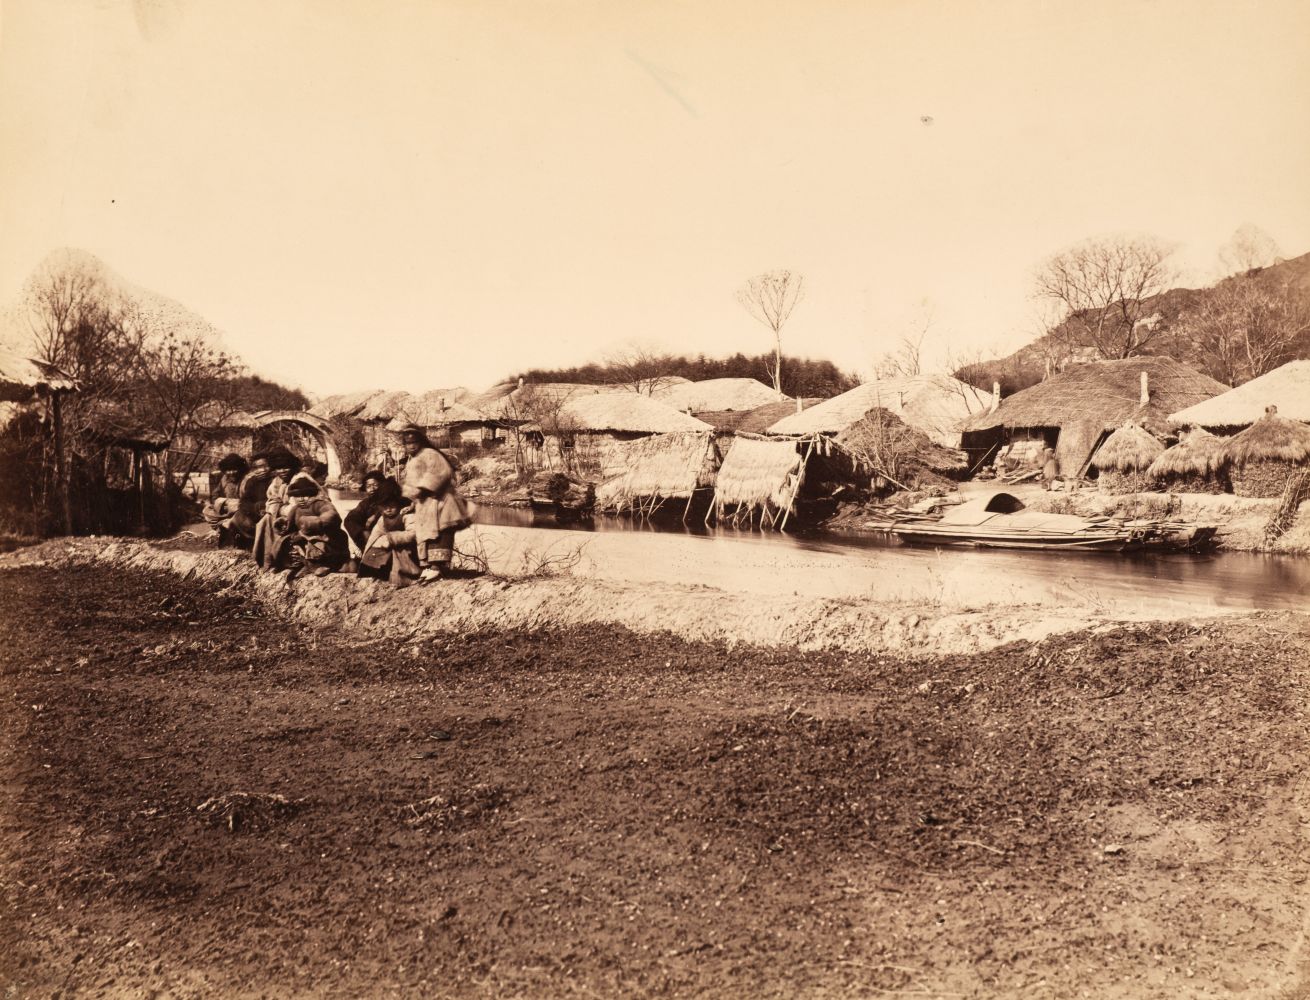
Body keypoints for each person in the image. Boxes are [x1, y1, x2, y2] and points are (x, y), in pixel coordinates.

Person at [397, 423, 475, 582]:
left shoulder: (430, 454)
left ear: (421, 441)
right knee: (426, 535)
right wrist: (412, 503)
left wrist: (421, 490)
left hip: (440, 501)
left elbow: (441, 473)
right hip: (424, 504)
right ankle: (428, 567)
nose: (411, 446)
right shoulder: (412, 460)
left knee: (440, 532)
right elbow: (413, 484)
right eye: (407, 443)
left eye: (414, 442)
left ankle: (437, 567)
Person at [268, 477, 349, 577]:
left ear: (312, 494)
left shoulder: (322, 504)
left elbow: (331, 517)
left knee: (315, 544)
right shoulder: (296, 509)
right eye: (297, 496)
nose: (301, 499)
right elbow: (290, 525)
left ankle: (323, 565)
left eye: (305, 495)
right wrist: (283, 526)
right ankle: (291, 564)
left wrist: (309, 523)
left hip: (328, 539)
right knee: (283, 542)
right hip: (304, 538)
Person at [358, 481, 421, 586]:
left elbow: (414, 533)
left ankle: (406, 577)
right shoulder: (382, 520)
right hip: (392, 550)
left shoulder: (406, 515)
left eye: (392, 506)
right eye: (384, 506)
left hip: (411, 552)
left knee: (399, 550)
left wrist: (391, 538)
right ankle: (376, 573)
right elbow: (373, 537)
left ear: (398, 503)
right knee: (376, 549)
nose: (388, 509)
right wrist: (366, 556)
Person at [254, 450, 301, 567]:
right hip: (284, 515)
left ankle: (284, 559)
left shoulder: (300, 478)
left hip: (302, 516)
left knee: (273, 520)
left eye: (286, 467)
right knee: (265, 520)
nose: (282, 471)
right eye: (278, 468)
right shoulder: (277, 481)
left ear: (292, 466)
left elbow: (300, 505)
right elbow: (272, 499)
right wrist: (276, 508)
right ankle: (267, 559)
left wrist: (281, 509)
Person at [227, 453, 271, 549]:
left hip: (270, 513)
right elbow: (245, 501)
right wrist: (255, 509)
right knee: (238, 517)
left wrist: (262, 506)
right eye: (257, 468)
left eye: (265, 466)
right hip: (255, 513)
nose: (261, 471)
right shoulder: (253, 481)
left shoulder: (275, 481)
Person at [202, 453, 248, 542]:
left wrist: (233, 504)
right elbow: (216, 494)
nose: (231, 473)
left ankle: (232, 528)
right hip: (227, 508)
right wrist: (219, 504)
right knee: (207, 510)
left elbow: (248, 499)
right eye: (228, 470)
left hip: (241, 508)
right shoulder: (224, 479)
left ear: (240, 469)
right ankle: (220, 527)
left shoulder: (246, 479)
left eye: (234, 469)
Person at [343, 470, 389, 552]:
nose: (372, 489)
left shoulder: (391, 500)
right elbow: (350, 519)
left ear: (382, 486)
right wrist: (362, 532)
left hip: (388, 538)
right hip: (369, 538)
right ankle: (366, 549)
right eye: (368, 486)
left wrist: (376, 515)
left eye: (375, 485)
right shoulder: (365, 503)